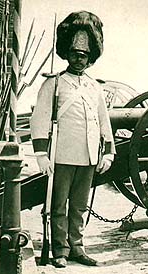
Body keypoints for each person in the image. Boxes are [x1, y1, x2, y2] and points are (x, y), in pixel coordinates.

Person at [30, 11, 115, 268]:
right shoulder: (54, 84)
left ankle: (77, 248)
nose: (79, 58)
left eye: (84, 55)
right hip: (62, 155)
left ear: (91, 58)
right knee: (58, 206)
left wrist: (109, 153)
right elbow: (39, 120)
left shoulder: (94, 87)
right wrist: (41, 156)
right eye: (75, 53)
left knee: (79, 207)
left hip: (88, 156)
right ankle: (60, 251)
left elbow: (104, 122)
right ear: (66, 53)